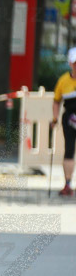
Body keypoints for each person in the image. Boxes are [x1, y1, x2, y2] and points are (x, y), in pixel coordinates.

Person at [50, 47, 76, 196]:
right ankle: (67, 184)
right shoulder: (63, 81)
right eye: (75, 63)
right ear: (70, 63)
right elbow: (56, 101)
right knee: (69, 150)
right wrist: (54, 119)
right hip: (69, 119)